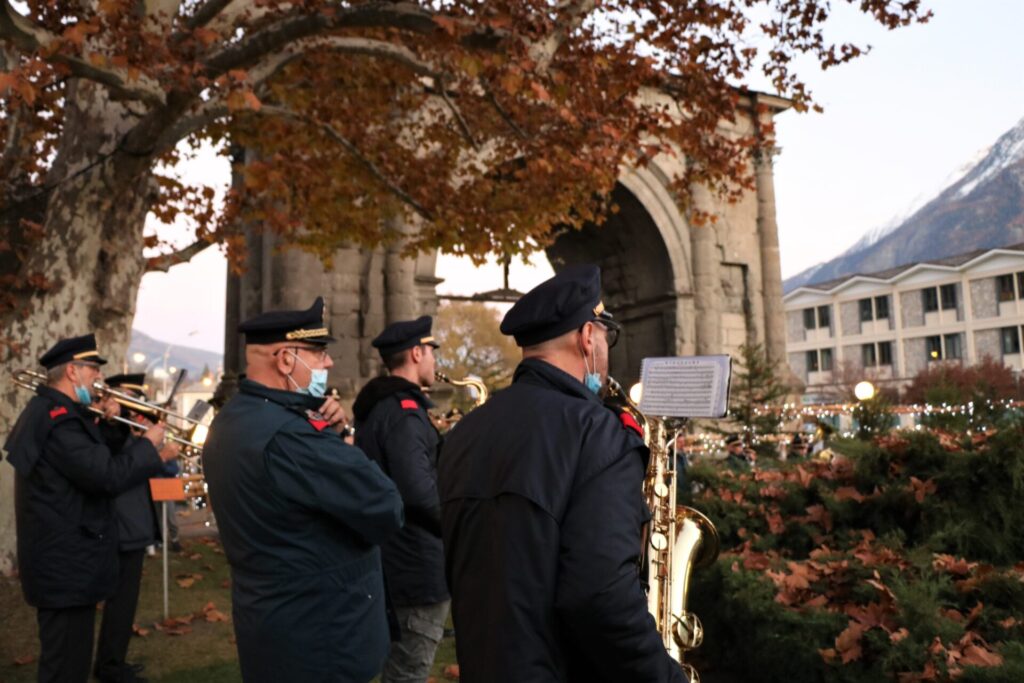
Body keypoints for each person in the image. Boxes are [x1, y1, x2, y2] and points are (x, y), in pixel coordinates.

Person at [439, 265, 688, 682]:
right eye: (606, 333)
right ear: (588, 336)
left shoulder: (466, 431)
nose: (606, 346)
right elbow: (601, 598)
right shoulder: (597, 433)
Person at [202, 296, 405, 683]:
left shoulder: (232, 419)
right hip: (323, 634)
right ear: (285, 360)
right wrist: (343, 440)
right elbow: (386, 506)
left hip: (271, 621)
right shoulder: (293, 436)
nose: (327, 363)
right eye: (317, 353)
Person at [3, 334, 177, 683]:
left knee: (73, 661)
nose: (98, 379)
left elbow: (94, 460)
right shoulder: (59, 420)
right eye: (93, 370)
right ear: (72, 371)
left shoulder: (61, 414)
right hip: (64, 563)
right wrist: (148, 446)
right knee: (65, 666)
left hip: (65, 560)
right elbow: (107, 476)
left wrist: (111, 424)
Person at [353, 316, 448, 683]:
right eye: (431, 353)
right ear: (416, 352)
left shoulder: (381, 406)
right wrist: (459, 526)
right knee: (408, 672)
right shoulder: (404, 413)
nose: (434, 363)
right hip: (416, 564)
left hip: (396, 558)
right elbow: (418, 494)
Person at [93, 374, 169, 683]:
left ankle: (113, 662)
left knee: (126, 603)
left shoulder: (123, 427)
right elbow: (119, 473)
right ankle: (109, 667)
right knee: (120, 603)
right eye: (126, 397)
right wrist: (158, 455)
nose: (130, 405)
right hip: (122, 522)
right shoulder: (106, 428)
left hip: (132, 520)